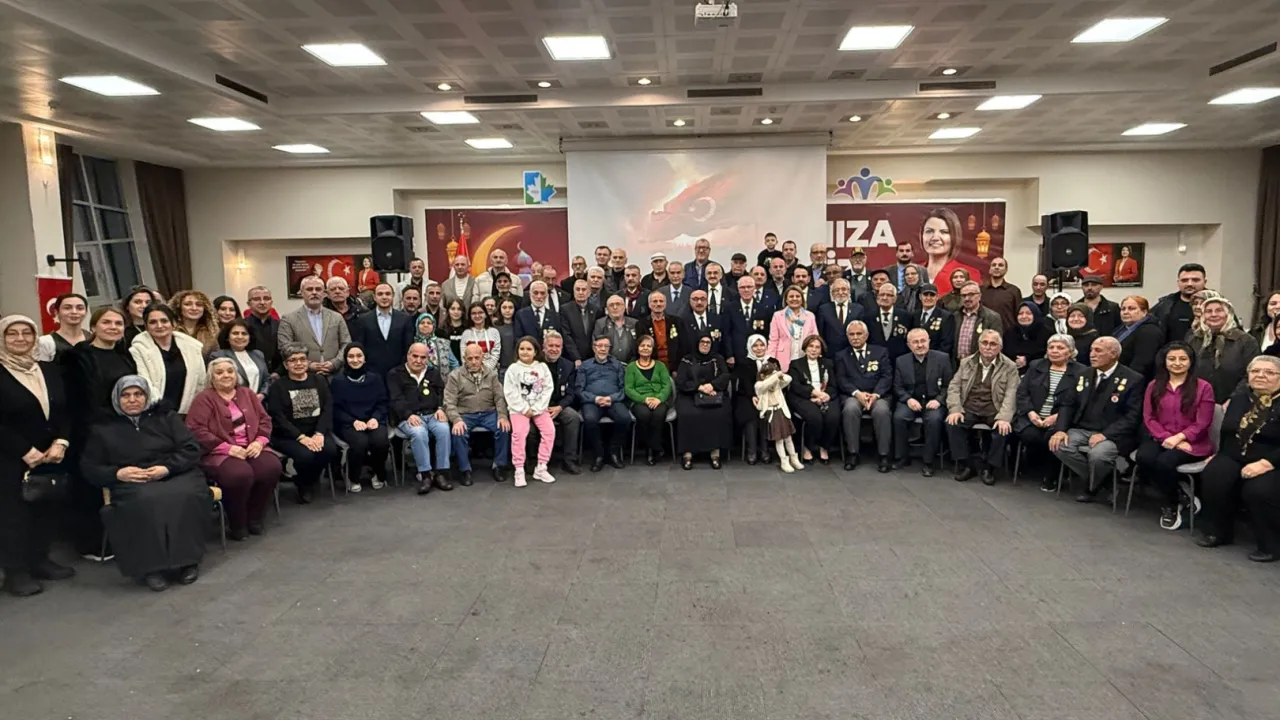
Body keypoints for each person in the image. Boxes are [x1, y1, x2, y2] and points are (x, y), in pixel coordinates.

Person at [81, 376, 210, 591]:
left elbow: (191, 449)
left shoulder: (166, 418)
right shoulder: (102, 428)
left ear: (147, 396)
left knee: (187, 495)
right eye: (126, 395)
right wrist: (118, 473)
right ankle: (151, 569)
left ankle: (187, 563)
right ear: (116, 399)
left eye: (138, 394)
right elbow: (90, 467)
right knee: (145, 501)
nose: (132, 400)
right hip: (132, 480)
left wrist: (167, 468)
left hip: (174, 472)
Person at [0, 315, 74, 597]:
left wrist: (62, 442)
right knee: (13, 515)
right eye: (12, 334)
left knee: (46, 507)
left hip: (50, 454)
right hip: (9, 456)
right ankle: (16, 572)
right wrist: (25, 451)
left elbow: (65, 410)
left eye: (26, 333)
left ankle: (39, 559)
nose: (20, 338)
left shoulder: (47, 369)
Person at [65, 307, 136, 561]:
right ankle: (91, 543)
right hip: (89, 430)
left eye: (118, 323)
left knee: (119, 484)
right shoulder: (77, 357)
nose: (113, 327)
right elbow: (78, 399)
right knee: (90, 488)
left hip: (122, 427)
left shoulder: (124, 355)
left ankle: (120, 538)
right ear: (93, 327)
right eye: (107, 322)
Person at [184, 357, 282, 539]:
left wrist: (259, 441)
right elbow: (196, 429)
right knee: (239, 475)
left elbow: (265, 420)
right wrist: (226, 448)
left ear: (236, 375)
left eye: (230, 371)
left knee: (271, 467)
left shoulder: (247, 394)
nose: (226, 375)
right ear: (211, 377)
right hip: (218, 451)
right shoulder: (204, 399)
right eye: (219, 372)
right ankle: (237, 522)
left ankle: (255, 517)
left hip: (252, 446)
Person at [1196, 355, 1280, 561]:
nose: (1261, 375)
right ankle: (1219, 532)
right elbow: (1227, 432)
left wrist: (1267, 463)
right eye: (1255, 371)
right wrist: (1218, 455)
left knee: (1258, 491)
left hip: (1272, 461)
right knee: (1215, 475)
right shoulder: (1240, 399)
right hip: (1234, 454)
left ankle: (1270, 545)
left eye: (1269, 372)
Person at [1050, 336, 1143, 502]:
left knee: (1098, 455)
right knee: (1059, 445)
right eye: (1092, 350)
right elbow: (1068, 404)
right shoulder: (1083, 374)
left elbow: (1132, 416)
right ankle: (1106, 480)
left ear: (1113, 354)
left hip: (1112, 434)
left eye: (1098, 351)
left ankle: (1091, 488)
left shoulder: (1133, 379)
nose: (1092, 354)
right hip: (1082, 428)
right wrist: (1060, 430)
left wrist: (1105, 435)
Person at [1136, 342, 1216, 531]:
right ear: (1164, 361)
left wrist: (1179, 438)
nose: (1177, 363)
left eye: (1182, 359)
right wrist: (1166, 437)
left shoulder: (1203, 387)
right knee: (1144, 457)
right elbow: (1149, 417)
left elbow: (1203, 422)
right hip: (1161, 437)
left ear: (1191, 362)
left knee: (1165, 463)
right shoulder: (1154, 385)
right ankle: (1181, 495)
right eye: (1172, 359)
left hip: (1192, 442)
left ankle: (1171, 504)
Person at [265, 344, 339, 504]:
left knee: (330, 450)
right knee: (305, 455)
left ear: (308, 361)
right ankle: (305, 484)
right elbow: (278, 417)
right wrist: (301, 437)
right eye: (293, 360)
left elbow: (327, 408)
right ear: (286, 365)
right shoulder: (278, 386)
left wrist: (319, 433)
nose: (298, 363)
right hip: (288, 435)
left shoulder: (319, 380)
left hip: (316, 431)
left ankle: (307, 478)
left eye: (302, 359)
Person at [945, 330, 1018, 485]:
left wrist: (1004, 418)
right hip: (970, 407)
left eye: (993, 344)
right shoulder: (967, 362)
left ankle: (989, 468)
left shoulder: (1010, 366)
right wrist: (955, 409)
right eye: (985, 343)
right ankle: (966, 464)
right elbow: (954, 387)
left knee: (1003, 430)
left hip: (994, 408)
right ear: (979, 345)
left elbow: (1011, 393)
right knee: (952, 423)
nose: (988, 347)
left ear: (1000, 347)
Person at [1014, 334, 1085, 492]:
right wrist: (1031, 413)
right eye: (1051, 347)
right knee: (1030, 435)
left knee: (1052, 438)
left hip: (1061, 418)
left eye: (1060, 348)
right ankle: (1035, 467)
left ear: (1070, 351)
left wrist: (1057, 417)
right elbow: (1022, 393)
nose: (1054, 351)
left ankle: (1051, 476)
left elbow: (1079, 402)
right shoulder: (1036, 365)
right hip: (1033, 416)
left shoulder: (1081, 371)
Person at [387, 343, 453, 493]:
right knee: (419, 433)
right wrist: (408, 414)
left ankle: (441, 473)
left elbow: (442, 393)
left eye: (423, 357)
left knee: (443, 429)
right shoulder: (395, 374)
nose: (418, 360)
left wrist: (441, 408)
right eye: (415, 356)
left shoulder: (433, 372)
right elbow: (395, 399)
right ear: (408, 355)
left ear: (427, 358)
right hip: (407, 416)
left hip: (432, 414)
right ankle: (425, 475)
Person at [327, 343, 392, 493]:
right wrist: (353, 421)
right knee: (360, 443)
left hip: (373, 419)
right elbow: (335, 408)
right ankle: (352, 476)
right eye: (351, 356)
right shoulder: (338, 381)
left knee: (380, 441)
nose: (355, 360)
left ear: (365, 358)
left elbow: (383, 402)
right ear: (345, 359)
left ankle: (378, 473)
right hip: (348, 422)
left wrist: (375, 418)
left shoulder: (375, 378)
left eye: (359, 356)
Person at [445, 344, 513, 483]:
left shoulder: (492, 374)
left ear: (483, 357)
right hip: (465, 414)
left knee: (503, 428)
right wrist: (456, 419)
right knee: (458, 432)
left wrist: (502, 416)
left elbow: (499, 397)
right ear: (464, 359)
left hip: (489, 412)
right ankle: (465, 470)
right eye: (470, 358)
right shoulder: (455, 376)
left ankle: (499, 465)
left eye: (477, 358)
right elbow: (449, 402)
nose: (474, 361)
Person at [889, 328, 949, 476]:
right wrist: (908, 399)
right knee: (899, 417)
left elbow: (949, 386)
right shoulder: (901, 361)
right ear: (909, 345)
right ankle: (902, 457)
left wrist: (939, 400)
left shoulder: (943, 358)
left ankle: (929, 461)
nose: (920, 345)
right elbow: (897, 387)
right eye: (915, 342)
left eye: (923, 341)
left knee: (934, 420)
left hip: (933, 400)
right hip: (911, 400)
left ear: (929, 341)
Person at [833, 321, 892, 471]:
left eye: (859, 334)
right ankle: (853, 453)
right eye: (851, 334)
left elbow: (886, 376)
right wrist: (857, 393)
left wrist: (876, 394)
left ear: (866, 335)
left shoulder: (880, 352)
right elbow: (841, 379)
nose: (855, 337)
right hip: (853, 395)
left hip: (878, 395)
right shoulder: (841, 355)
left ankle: (884, 455)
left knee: (882, 411)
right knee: (850, 409)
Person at [130, 303, 207, 415]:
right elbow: (144, 383)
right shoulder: (138, 350)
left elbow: (201, 382)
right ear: (146, 326)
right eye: (153, 322)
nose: (159, 325)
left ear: (173, 323)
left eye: (164, 321)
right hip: (155, 413)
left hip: (187, 413)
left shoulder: (192, 348)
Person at [503, 336, 557, 487]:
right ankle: (519, 469)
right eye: (522, 349)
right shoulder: (513, 369)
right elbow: (510, 392)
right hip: (519, 409)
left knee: (549, 431)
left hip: (539, 408)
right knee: (519, 433)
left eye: (529, 349)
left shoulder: (542, 367)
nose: (525, 352)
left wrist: (537, 408)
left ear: (535, 352)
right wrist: (524, 408)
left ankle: (541, 467)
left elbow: (548, 389)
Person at [675, 331, 733, 469]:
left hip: (714, 394)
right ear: (696, 343)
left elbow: (725, 376)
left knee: (719, 413)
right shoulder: (687, 360)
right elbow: (681, 381)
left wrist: (712, 385)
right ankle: (688, 454)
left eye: (708, 342)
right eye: (702, 342)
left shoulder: (717, 358)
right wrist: (699, 387)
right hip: (690, 394)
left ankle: (715, 453)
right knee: (687, 414)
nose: (705, 345)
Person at [576, 336, 633, 471]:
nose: (602, 349)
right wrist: (595, 398)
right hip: (591, 401)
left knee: (625, 418)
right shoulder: (585, 366)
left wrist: (611, 398)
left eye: (606, 346)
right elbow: (579, 389)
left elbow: (623, 388)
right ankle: (599, 454)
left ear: (609, 349)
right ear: (594, 348)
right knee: (590, 419)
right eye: (599, 346)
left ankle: (613, 451)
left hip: (613, 400)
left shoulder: (617, 365)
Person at [1189, 296, 1258, 404]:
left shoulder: (1246, 341)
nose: (1213, 314)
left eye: (1219, 310)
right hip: (1196, 399)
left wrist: (1234, 399)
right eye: (1208, 311)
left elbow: (1251, 374)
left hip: (1233, 401)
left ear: (1228, 314)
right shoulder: (1194, 339)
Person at [279, 275, 351, 376]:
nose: (314, 292)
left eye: (318, 289)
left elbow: (346, 343)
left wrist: (335, 363)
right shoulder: (288, 319)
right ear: (301, 293)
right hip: (304, 376)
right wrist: (308, 364)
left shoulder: (337, 317)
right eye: (309, 289)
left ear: (324, 293)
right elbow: (285, 348)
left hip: (335, 375)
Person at [787, 334, 840, 465]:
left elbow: (833, 385)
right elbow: (796, 386)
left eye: (817, 347)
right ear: (805, 348)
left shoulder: (828, 364)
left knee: (833, 417)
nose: (814, 349)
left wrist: (826, 395)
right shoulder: (795, 364)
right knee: (814, 417)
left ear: (821, 350)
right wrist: (814, 393)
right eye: (811, 346)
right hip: (803, 397)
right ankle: (807, 447)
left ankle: (824, 447)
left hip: (825, 396)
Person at [350, 282, 415, 382]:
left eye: (388, 294)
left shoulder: (405, 319)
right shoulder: (363, 320)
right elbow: (360, 347)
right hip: (371, 374)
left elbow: (408, 347)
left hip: (398, 374)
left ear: (393, 296)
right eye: (380, 294)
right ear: (374, 297)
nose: (384, 297)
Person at [625, 335, 672, 466]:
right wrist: (644, 399)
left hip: (658, 399)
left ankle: (651, 448)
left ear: (652, 349)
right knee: (644, 415)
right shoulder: (631, 367)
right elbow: (629, 389)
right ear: (638, 348)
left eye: (648, 346)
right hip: (639, 401)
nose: (645, 348)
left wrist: (658, 398)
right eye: (642, 345)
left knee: (658, 414)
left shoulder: (660, 366)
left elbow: (666, 386)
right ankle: (655, 447)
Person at [754, 358, 803, 472]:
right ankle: (784, 461)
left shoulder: (777, 384)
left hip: (781, 411)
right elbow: (765, 385)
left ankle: (793, 458)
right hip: (771, 413)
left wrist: (779, 375)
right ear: (762, 376)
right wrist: (775, 376)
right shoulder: (759, 385)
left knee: (788, 438)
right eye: (769, 375)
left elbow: (789, 379)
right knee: (779, 440)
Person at [920, 207, 980, 294]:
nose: (935, 238)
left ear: (954, 236)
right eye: (929, 231)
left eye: (944, 232)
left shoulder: (970, 274)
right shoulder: (912, 272)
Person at [735, 334, 774, 465]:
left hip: (769, 396)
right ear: (750, 347)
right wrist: (753, 396)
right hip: (747, 396)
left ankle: (764, 450)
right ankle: (751, 451)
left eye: (762, 345)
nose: (759, 348)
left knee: (766, 412)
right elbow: (745, 383)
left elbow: (776, 382)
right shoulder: (744, 362)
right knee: (751, 414)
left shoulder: (773, 361)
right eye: (755, 346)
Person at [944, 281, 1002, 365]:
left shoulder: (992, 317)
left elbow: (996, 345)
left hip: (979, 365)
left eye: (971, 294)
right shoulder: (955, 316)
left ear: (979, 296)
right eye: (964, 295)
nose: (967, 298)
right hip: (956, 364)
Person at [209, 319, 272, 396]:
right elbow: (216, 384)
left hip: (259, 401)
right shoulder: (219, 356)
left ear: (249, 337)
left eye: (244, 333)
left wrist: (262, 394)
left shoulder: (258, 354)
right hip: (232, 401)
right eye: (235, 333)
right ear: (227, 337)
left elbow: (267, 380)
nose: (240, 337)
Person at [636, 291, 689, 373]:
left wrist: (677, 369)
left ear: (665, 304)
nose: (658, 304)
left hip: (674, 367)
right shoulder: (641, 324)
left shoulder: (677, 322)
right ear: (649, 304)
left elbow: (683, 347)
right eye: (655, 301)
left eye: (661, 301)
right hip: (652, 367)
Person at [1152, 263, 1206, 344]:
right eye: (1184, 280)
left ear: (1205, 281)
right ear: (1178, 282)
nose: (1189, 284)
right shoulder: (1164, 305)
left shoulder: (1218, 305)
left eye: (1195, 280)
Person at [1112, 295, 1164, 380]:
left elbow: (1142, 362)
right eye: (1123, 309)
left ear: (1144, 312)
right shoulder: (1120, 329)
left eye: (1131, 309)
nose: (1125, 312)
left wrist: (1127, 380)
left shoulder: (1149, 331)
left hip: (1135, 379)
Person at [768, 286, 819, 371]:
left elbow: (815, 338)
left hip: (804, 357)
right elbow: (773, 340)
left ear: (802, 299)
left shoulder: (810, 316)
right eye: (791, 296)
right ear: (786, 300)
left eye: (797, 296)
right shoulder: (778, 316)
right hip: (783, 359)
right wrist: (771, 358)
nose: (794, 299)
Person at [35, 293, 90, 363]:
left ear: (86, 312)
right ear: (56, 312)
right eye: (67, 308)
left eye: (80, 308)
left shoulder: (94, 338)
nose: (74, 312)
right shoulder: (45, 342)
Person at [866, 283, 912, 361]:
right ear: (877, 297)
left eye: (889, 295)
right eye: (882, 295)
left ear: (895, 298)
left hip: (899, 359)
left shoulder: (905, 316)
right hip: (876, 360)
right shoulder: (869, 317)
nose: (885, 298)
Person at [1003, 301, 1050, 374]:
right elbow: (1005, 353)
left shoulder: (1046, 333)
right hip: (1011, 371)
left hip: (1039, 372)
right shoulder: (1010, 332)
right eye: (1020, 313)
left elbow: (1046, 354)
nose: (1024, 316)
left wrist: (1027, 359)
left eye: (1028, 313)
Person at [561, 279, 600, 364]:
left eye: (584, 289)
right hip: (572, 358)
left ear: (589, 293)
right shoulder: (565, 309)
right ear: (574, 292)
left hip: (592, 357)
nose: (580, 292)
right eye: (578, 289)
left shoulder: (595, 310)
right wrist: (576, 357)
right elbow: (566, 336)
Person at [169, 290, 220, 356]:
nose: (194, 308)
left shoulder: (210, 334)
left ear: (205, 309)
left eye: (199, 305)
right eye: (188, 304)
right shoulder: (170, 330)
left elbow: (215, 357)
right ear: (179, 308)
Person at [244, 286, 281, 373]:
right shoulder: (242, 326)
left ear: (271, 302)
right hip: (252, 374)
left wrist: (278, 372)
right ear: (248, 304)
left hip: (278, 375)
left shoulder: (281, 325)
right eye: (256, 299)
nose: (262, 302)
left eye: (266, 298)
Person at [593, 295, 639, 363]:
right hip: (607, 364)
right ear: (607, 310)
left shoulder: (635, 323)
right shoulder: (600, 323)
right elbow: (596, 346)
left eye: (618, 304)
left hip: (631, 364)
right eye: (611, 305)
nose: (615, 307)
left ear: (624, 307)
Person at [681, 289, 727, 357]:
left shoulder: (717, 319)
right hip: (691, 360)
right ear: (690, 301)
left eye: (702, 299)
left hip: (714, 359)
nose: (699, 302)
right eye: (695, 299)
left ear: (707, 301)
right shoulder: (683, 321)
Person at [460, 302, 501, 374]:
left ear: (485, 314)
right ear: (470, 316)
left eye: (480, 312)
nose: (477, 316)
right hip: (470, 373)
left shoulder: (494, 332)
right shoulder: (466, 334)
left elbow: (495, 355)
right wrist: (474, 370)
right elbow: (464, 356)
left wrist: (485, 371)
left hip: (490, 374)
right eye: (473, 313)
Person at [914, 283, 953, 355]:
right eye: (925, 295)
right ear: (920, 297)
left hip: (936, 357)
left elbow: (946, 344)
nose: (928, 298)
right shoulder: (914, 315)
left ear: (937, 297)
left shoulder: (946, 316)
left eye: (932, 295)